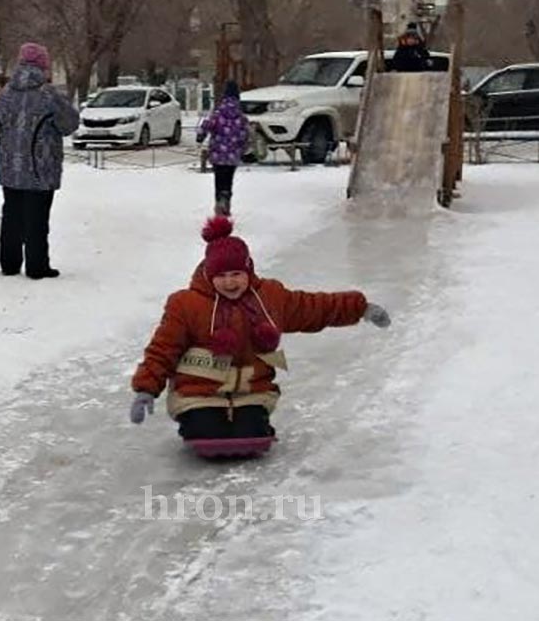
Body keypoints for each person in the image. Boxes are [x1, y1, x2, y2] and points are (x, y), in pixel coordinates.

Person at [128, 216, 392, 439]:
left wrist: (361, 308)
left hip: (252, 390)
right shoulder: (186, 304)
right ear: (209, 275)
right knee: (205, 428)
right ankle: (199, 423)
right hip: (199, 390)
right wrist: (146, 389)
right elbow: (164, 348)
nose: (229, 283)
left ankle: (250, 421)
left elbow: (314, 307)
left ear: (249, 271)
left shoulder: (269, 296)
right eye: (221, 276)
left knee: (251, 431)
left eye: (236, 275)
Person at [0, 43, 79, 279]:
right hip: (41, 167)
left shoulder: (6, 93)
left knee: (12, 216)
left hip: (11, 166)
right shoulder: (49, 95)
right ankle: (36, 265)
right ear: (43, 66)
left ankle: (9, 264)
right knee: (37, 218)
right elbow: (69, 124)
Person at [196, 80, 250, 216]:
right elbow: (245, 134)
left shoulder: (218, 113)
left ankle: (219, 203)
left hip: (218, 154)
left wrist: (200, 136)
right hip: (233, 155)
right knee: (228, 180)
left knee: (219, 180)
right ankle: (226, 202)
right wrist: (243, 149)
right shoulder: (241, 116)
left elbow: (206, 125)